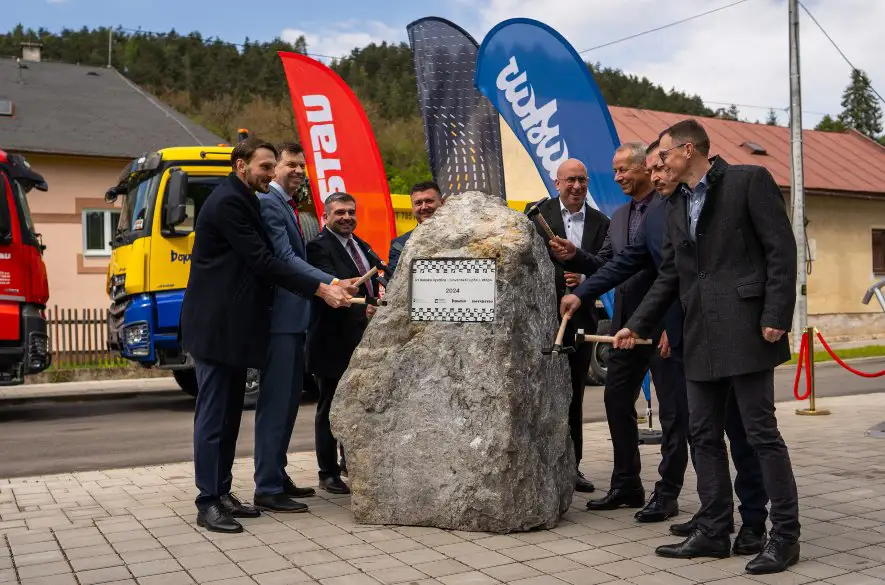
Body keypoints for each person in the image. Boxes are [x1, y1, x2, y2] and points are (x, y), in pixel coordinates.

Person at [559, 142, 769, 557]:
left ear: (681, 159)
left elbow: (681, 275)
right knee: (691, 426)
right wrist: (582, 288)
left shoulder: (710, 196)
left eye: (658, 166)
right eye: (652, 169)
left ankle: (744, 519)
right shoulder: (632, 216)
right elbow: (624, 263)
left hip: (693, 332)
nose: (654, 175)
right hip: (633, 329)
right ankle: (705, 513)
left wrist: (673, 323)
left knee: (719, 427)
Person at [612, 119, 800, 574]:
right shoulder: (675, 205)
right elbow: (671, 274)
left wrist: (776, 313)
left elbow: (781, 249)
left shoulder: (747, 181)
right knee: (704, 436)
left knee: (760, 434)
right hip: (698, 335)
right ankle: (714, 530)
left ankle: (785, 536)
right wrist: (636, 326)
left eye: (663, 155)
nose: (658, 164)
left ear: (688, 150)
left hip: (748, 328)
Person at [180, 137, 356, 534]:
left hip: (235, 327)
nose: (270, 173)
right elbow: (264, 261)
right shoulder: (228, 202)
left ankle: (222, 493)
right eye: (265, 166)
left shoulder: (243, 199)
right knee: (212, 418)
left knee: (227, 418)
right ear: (241, 165)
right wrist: (321, 287)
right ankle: (207, 501)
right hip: (215, 326)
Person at [550, 145, 660, 510]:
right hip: (624, 326)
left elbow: (670, 272)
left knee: (677, 413)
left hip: (661, 325)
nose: (615, 178)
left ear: (644, 168)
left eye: (622, 170)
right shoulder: (621, 216)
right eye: (614, 171)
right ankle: (627, 484)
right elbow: (610, 264)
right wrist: (578, 264)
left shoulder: (665, 209)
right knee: (615, 400)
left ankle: (670, 491)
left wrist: (672, 328)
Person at [253, 142, 335, 513]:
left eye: (302, 166)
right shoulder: (269, 202)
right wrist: (329, 283)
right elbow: (284, 258)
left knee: (287, 405)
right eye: (291, 165)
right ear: (274, 169)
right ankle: (267, 485)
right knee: (275, 405)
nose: (299, 171)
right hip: (278, 323)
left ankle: (277, 473)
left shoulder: (287, 205)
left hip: (293, 319)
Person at [525, 158, 609, 494]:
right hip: (541, 320)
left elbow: (607, 266)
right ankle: (537, 467)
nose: (576, 187)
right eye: (569, 181)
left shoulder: (602, 222)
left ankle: (572, 468)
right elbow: (527, 263)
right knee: (539, 394)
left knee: (574, 394)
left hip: (581, 322)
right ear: (557, 183)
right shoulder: (537, 217)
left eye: (582, 181)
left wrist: (585, 278)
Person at [307, 192, 382, 495]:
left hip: (360, 341)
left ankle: (347, 463)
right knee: (329, 408)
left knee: (355, 407)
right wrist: (356, 300)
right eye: (339, 212)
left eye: (351, 212)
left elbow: (372, 283)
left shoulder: (361, 245)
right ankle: (327, 473)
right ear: (326, 217)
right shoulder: (317, 248)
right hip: (331, 342)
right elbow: (330, 289)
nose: (347, 217)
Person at [387, 181, 444, 277]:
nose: (424, 207)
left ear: (442, 203)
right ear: (412, 208)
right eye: (418, 203)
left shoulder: (462, 235)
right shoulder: (399, 244)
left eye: (429, 201)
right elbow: (392, 280)